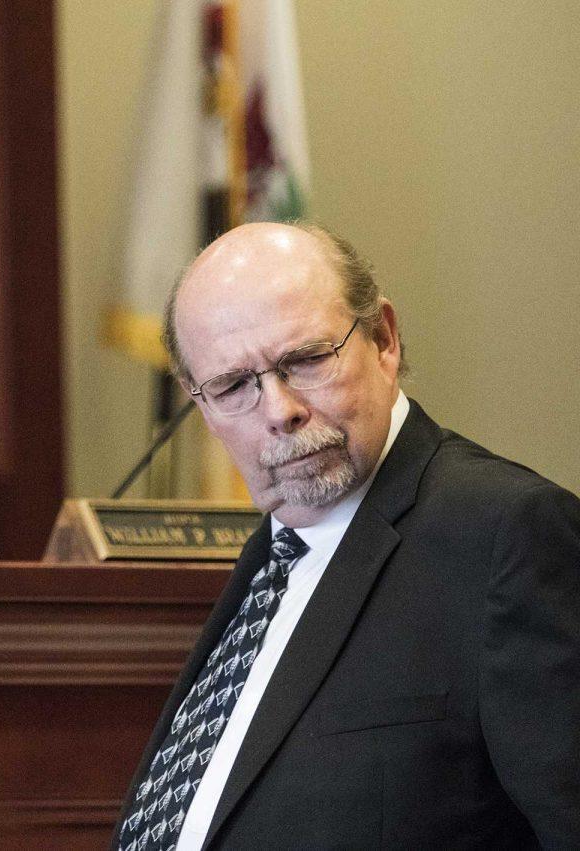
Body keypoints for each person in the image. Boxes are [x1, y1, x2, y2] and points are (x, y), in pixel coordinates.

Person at [112, 222, 580, 849]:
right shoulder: (276, 553)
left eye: (304, 360)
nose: (279, 411)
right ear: (200, 403)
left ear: (384, 339)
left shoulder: (507, 534)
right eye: (232, 386)